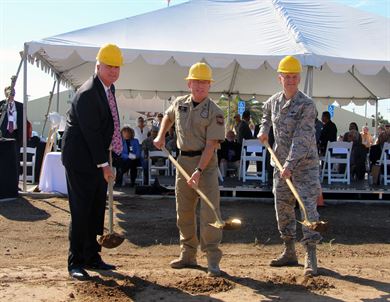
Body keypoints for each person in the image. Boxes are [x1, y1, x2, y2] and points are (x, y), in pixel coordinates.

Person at [153, 62, 225, 277]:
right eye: (196, 82)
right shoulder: (180, 103)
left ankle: (212, 258)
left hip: (206, 165)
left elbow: (212, 145)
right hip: (183, 162)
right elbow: (168, 116)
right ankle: (188, 254)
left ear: (210, 85)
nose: (200, 86)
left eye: (204, 82)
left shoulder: (215, 112)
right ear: (189, 83)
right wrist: (161, 134)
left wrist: (199, 171)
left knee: (209, 211)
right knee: (183, 210)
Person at [61, 43, 123, 280]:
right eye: (109, 67)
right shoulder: (88, 93)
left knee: (97, 208)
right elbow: (91, 132)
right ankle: (75, 261)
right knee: (81, 210)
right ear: (98, 66)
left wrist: (109, 158)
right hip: (79, 158)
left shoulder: (109, 88)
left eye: (117, 67)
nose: (114, 71)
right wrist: (104, 164)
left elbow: (107, 127)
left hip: (96, 157)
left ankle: (92, 256)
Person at [258, 55, 322, 277]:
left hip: (303, 165)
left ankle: (310, 254)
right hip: (280, 164)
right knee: (283, 206)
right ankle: (289, 250)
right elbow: (265, 114)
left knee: (307, 208)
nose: (291, 81)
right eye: (287, 77)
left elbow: (302, 139)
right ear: (280, 78)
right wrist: (264, 129)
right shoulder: (274, 101)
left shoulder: (307, 105)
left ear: (299, 78)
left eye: (295, 77)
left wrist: (290, 165)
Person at [0, 86, 24, 185]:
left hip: (15, 135)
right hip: (3, 135)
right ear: (5, 93)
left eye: (13, 92)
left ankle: (15, 184)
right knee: (3, 160)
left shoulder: (20, 106)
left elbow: (23, 121)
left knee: (15, 160)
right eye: (9, 92)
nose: (11, 94)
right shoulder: (1, 104)